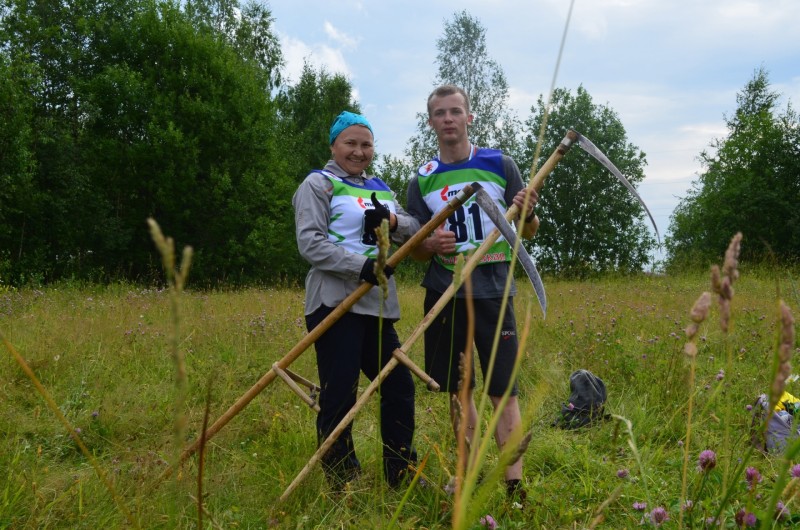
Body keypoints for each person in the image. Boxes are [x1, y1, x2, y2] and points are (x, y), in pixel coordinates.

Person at [406, 85, 539, 502]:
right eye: (440, 113)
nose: (448, 119)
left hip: (494, 293)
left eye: (455, 112)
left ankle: (514, 485)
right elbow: (413, 246)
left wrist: (529, 212)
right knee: (457, 391)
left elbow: (527, 233)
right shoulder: (422, 178)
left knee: (503, 391)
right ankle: (466, 475)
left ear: (469, 117)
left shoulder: (500, 164)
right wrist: (429, 245)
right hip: (444, 294)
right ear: (430, 122)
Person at [293, 111, 419, 489]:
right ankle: (341, 479)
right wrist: (359, 267)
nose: (359, 151)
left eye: (366, 144)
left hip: (377, 308)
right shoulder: (319, 184)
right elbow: (310, 242)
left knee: (398, 385)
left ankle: (400, 473)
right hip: (334, 303)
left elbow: (412, 227)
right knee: (341, 392)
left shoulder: (380, 187)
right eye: (350, 143)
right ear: (333, 145)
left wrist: (394, 223)